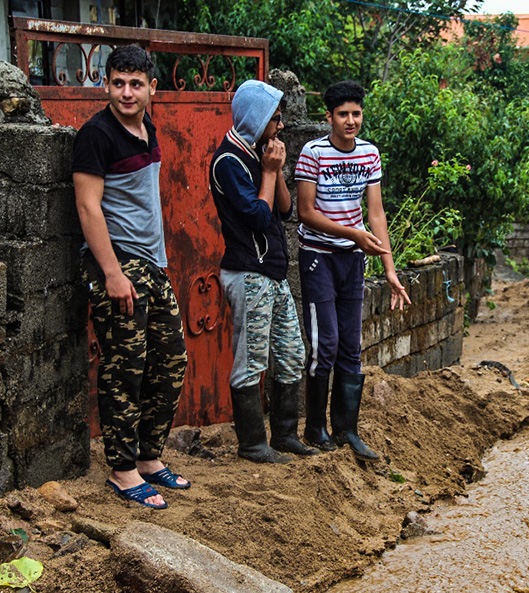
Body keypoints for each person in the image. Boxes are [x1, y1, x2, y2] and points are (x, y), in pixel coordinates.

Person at [72, 44, 189, 510]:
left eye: (136, 84)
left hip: (149, 265)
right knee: (125, 369)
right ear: (106, 84)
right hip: (118, 265)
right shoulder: (96, 135)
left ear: (151, 88)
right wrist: (112, 274)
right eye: (118, 82)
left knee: (171, 361)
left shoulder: (146, 129)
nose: (126, 92)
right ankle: (121, 471)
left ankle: (147, 458)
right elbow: (87, 206)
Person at [295, 80, 410, 461]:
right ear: (328, 117)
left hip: (353, 259)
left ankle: (347, 430)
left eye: (356, 113)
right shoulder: (313, 153)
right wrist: (352, 233)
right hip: (318, 258)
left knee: (350, 346)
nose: (350, 120)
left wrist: (389, 268)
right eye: (342, 114)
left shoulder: (369, 154)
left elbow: (375, 213)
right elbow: (306, 213)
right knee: (324, 344)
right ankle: (315, 428)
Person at [209, 80, 317, 462]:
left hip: (272, 274)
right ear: (256, 119)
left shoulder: (258, 154)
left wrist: (277, 168)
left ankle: (285, 435)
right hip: (248, 274)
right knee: (251, 360)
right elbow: (256, 217)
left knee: (291, 353)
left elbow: (284, 211)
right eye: (275, 118)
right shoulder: (228, 162)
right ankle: (253, 444)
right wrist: (269, 173)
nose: (281, 126)